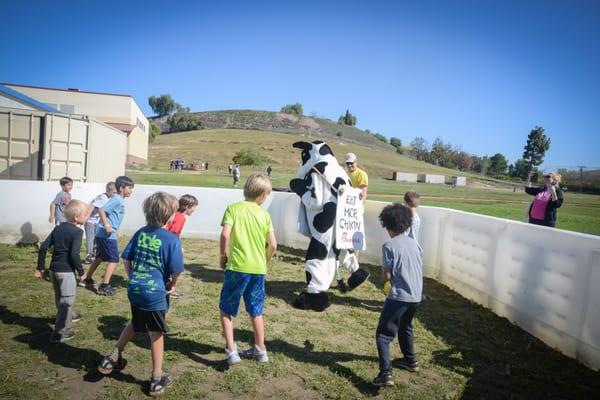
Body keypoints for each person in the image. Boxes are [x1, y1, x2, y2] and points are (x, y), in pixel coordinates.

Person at [97, 192, 183, 397]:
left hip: (135, 288)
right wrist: (173, 283)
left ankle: (112, 357)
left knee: (136, 321)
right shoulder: (171, 239)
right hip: (155, 292)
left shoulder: (140, 233)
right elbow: (177, 268)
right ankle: (156, 378)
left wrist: (132, 276)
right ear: (170, 215)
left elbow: (126, 257)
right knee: (156, 333)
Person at [219, 174, 277, 365]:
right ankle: (261, 350)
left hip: (236, 267)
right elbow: (273, 245)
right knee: (256, 310)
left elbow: (225, 235)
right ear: (261, 194)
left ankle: (231, 350)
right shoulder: (264, 214)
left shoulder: (233, 209)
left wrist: (223, 255)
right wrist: (264, 260)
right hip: (258, 270)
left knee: (226, 309)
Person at [373, 203, 423, 387]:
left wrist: (386, 283)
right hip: (416, 296)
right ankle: (411, 361)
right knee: (405, 326)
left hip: (399, 296)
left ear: (387, 225)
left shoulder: (389, 246)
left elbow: (387, 276)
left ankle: (385, 374)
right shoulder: (415, 243)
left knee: (383, 335)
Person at [36, 200, 91, 343]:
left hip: (54, 271)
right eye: (86, 215)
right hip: (66, 272)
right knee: (67, 301)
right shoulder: (78, 232)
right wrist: (81, 272)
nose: (88, 217)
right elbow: (74, 255)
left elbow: (43, 248)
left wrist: (40, 268)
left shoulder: (58, 229)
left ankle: (69, 316)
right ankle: (60, 333)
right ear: (77, 217)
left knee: (60, 297)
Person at [79, 176, 135, 296]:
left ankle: (87, 279)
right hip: (107, 235)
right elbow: (102, 210)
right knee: (114, 259)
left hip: (103, 234)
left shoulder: (118, 199)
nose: (131, 190)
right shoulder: (118, 199)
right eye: (129, 188)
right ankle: (104, 286)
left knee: (100, 257)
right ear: (121, 188)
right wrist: (107, 225)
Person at [165, 194, 199, 299]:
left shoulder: (175, 214)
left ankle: (167, 286)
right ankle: (170, 288)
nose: (194, 210)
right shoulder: (180, 218)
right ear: (188, 206)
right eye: (194, 207)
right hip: (169, 246)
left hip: (166, 244)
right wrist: (177, 247)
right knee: (177, 268)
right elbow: (173, 234)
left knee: (168, 268)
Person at [84, 182, 117, 264]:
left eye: (116, 193)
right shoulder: (103, 198)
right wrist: (87, 217)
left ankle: (96, 254)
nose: (115, 194)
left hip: (97, 221)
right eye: (114, 192)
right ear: (108, 191)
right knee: (90, 238)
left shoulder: (109, 198)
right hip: (90, 221)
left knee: (96, 237)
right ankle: (89, 256)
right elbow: (92, 206)